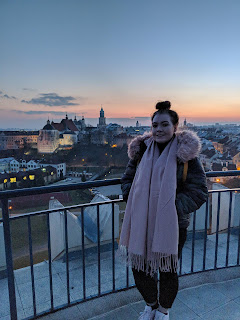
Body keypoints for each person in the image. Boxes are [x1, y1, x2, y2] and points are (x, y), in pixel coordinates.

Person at [119, 101, 208, 320]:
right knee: (139, 266)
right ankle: (151, 304)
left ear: (175, 126)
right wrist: (136, 199)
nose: (159, 129)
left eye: (164, 124)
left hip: (174, 223)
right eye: (155, 124)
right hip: (142, 220)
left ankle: (163, 311)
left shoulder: (186, 155)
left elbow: (199, 191)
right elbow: (127, 179)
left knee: (167, 270)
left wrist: (171, 207)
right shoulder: (141, 152)